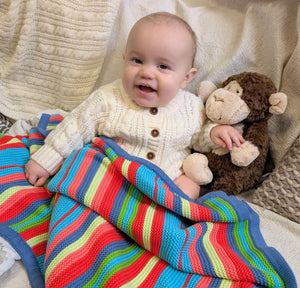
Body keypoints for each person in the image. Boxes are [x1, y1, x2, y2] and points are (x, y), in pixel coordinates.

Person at [25, 12, 244, 200]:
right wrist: (47, 159)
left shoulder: (192, 107)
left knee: (190, 185)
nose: (147, 72)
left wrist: (214, 132)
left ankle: (165, 220)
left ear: (186, 78)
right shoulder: (109, 98)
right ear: (125, 59)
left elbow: (198, 138)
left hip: (167, 180)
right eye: (137, 61)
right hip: (115, 177)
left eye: (163, 66)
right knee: (84, 166)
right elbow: (76, 125)